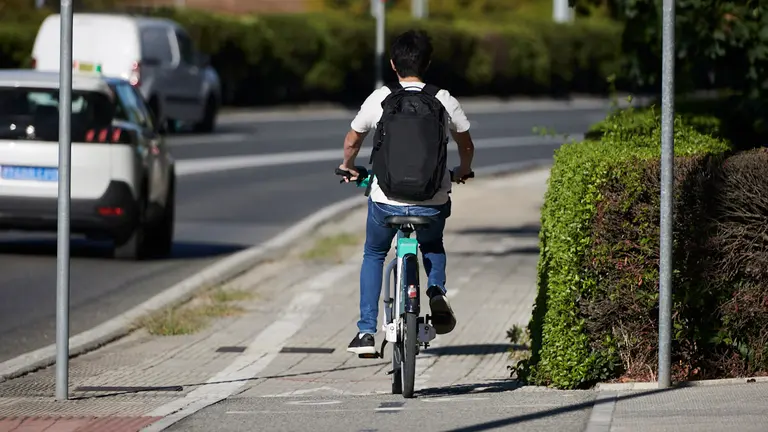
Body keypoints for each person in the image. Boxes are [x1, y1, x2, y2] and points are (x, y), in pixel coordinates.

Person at [338, 29, 476, 355]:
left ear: (392, 63)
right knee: (433, 242)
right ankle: (437, 289)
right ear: (427, 63)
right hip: (432, 201)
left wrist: (348, 165)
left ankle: (366, 333)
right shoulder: (444, 98)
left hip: (386, 201)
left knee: (374, 253)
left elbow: (352, 140)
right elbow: (466, 144)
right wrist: (463, 170)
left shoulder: (380, 98)